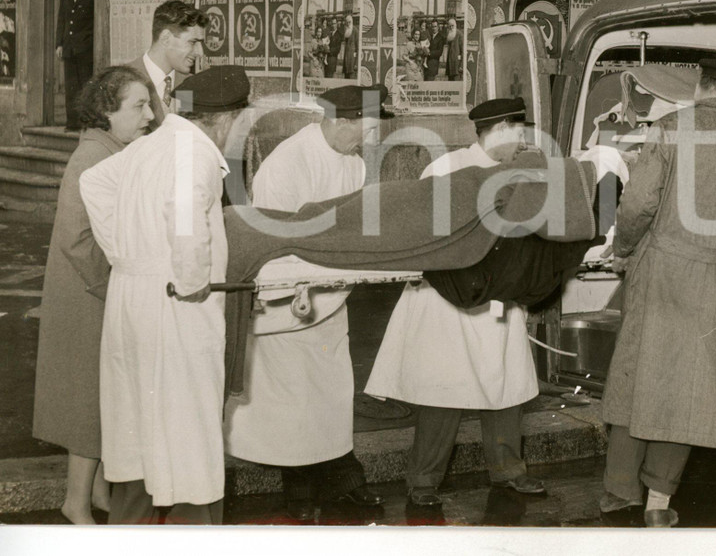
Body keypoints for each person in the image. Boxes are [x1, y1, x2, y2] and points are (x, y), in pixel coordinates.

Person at [79, 65, 250, 525]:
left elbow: (92, 183)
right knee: (189, 430)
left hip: (131, 297)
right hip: (175, 303)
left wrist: (124, 253)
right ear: (224, 119)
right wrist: (192, 281)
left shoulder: (151, 143)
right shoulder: (192, 151)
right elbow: (186, 217)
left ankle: (129, 532)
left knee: (137, 431)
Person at [599, 50, 716, 527]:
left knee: (636, 378)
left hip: (666, 271)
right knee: (692, 391)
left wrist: (622, 249)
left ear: (701, 86)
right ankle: (658, 503)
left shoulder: (671, 128)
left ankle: (617, 493)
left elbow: (637, 206)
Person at [365, 97, 547, 507]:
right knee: (443, 391)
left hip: (500, 293)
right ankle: (424, 480)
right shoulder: (445, 169)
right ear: (499, 129)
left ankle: (508, 472)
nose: (523, 138)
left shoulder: (520, 172)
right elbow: (425, 232)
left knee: (506, 387)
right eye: (519, 130)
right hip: (450, 297)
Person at [224, 85, 390, 520]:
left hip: (332, 296)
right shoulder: (287, 164)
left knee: (332, 396)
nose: (368, 140)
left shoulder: (353, 164)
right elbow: (270, 237)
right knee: (293, 403)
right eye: (365, 130)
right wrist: (298, 286)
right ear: (340, 120)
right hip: (288, 300)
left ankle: (342, 481)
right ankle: (298, 492)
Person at [32, 66, 155, 524]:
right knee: (88, 404)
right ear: (107, 111)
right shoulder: (95, 157)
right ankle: (76, 503)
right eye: (138, 106)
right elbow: (77, 239)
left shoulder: (108, 149)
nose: (148, 115)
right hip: (90, 295)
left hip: (88, 290)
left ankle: (98, 493)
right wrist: (118, 288)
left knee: (99, 400)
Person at [125, 0, 207, 127]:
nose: (199, 53)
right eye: (192, 42)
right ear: (166, 38)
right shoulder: (122, 81)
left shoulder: (188, 84)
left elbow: (184, 141)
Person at [56, 0, 95, 131]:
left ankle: (86, 123)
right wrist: (59, 44)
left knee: (85, 85)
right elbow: (62, 19)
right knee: (71, 86)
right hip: (69, 48)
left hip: (85, 48)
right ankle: (72, 123)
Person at [441, 17, 463, 82]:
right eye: (449, 26)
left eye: (452, 25)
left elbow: (463, 51)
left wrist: (461, 65)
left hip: (457, 65)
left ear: (455, 25)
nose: (451, 27)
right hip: (449, 66)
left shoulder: (459, 34)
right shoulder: (449, 34)